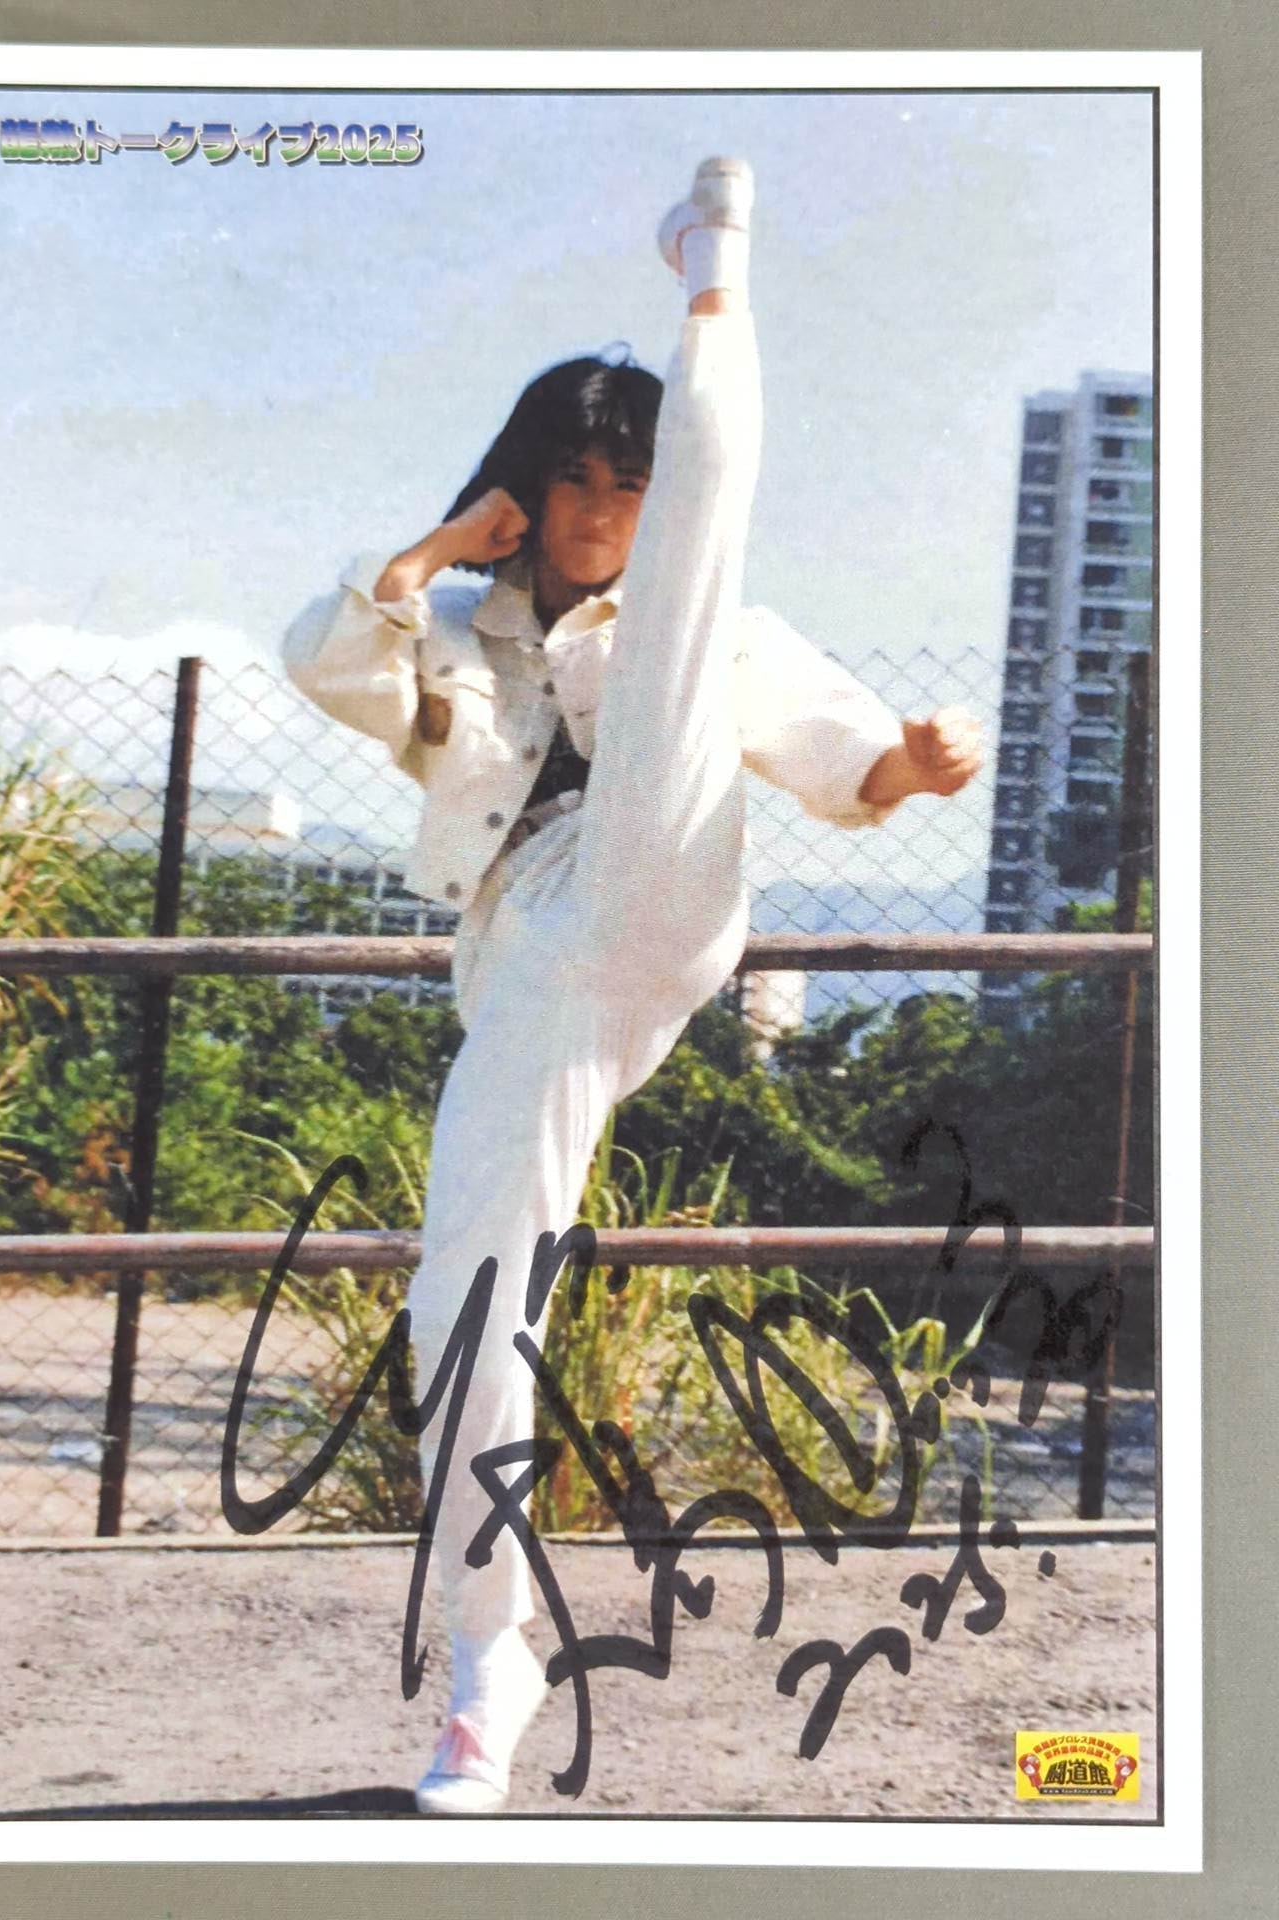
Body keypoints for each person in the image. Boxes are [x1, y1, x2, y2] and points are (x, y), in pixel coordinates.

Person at [283, 157, 983, 1815]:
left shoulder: (698, 614)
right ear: (527, 488)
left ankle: (715, 270)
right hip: (533, 959)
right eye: (576, 479)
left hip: (663, 884)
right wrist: (442, 548)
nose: (601, 509)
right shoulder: (454, 626)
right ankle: (488, 1662)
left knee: (683, 617)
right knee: (465, 1306)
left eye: (633, 480)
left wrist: (916, 760)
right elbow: (328, 662)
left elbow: (849, 761)